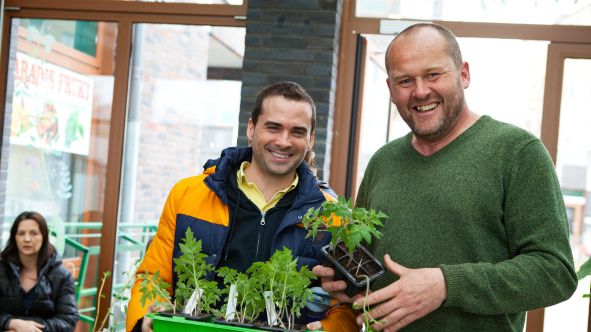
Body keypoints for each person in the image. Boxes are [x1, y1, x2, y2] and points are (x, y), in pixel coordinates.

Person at [313, 23, 577, 331]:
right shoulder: (383, 162)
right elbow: (370, 267)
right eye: (405, 81)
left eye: (433, 74)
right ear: (390, 89)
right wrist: (347, 284)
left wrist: (446, 285)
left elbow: (554, 273)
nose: (421, 91)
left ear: (464, 74)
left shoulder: (517, 152)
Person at [126, 81, 357, 332]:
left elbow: (344, 306)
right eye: (273, 127)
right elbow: (152, 280)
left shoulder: (332, 217)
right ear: (251, 128)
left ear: (310, 139)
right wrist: (147, 318)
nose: (283, 141)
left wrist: (327, 329)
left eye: (297, 132)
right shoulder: (189, 195)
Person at [0, 211, 79, 332]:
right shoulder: (2, 270)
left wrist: (31, 329)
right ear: (14, 237)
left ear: (44, 237)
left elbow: (68, 320)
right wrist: (12, 323)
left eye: (34, 233)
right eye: (21, 233)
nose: (27, 239)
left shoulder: (62, 276)